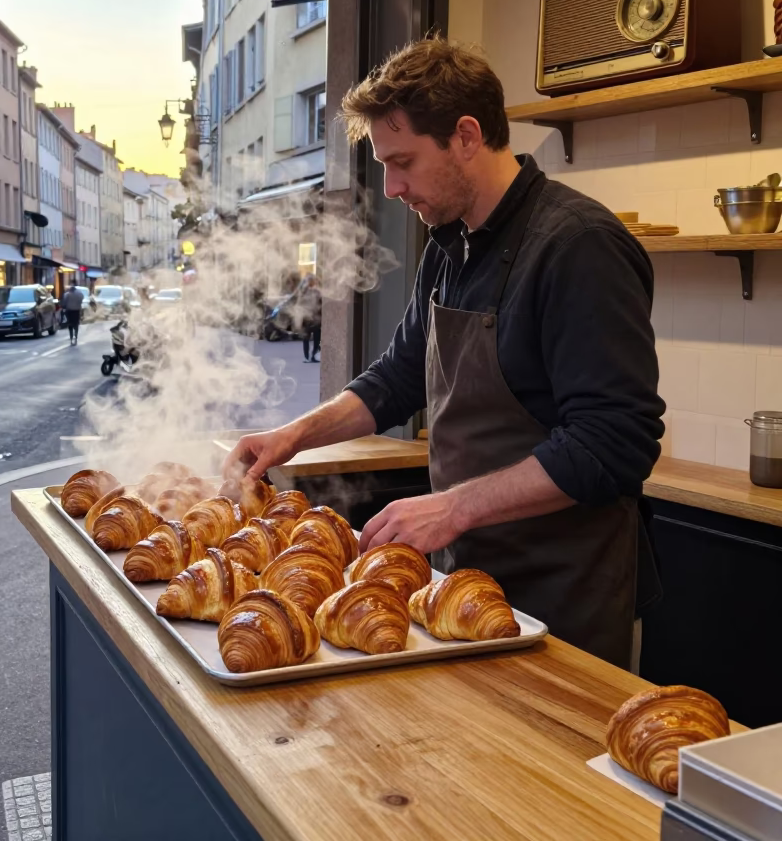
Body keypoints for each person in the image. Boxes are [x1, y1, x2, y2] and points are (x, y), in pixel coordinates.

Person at [223, 37, 664, 669]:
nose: (394, 186)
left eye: (403, 161)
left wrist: (453, 507)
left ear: (465, 136)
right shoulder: (448, 245)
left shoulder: (577, 246)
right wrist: (291, 437)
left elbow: (613, 442)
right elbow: (399, 377)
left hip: (566, 596)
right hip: (461, 581)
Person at [298, 274, 322, 363]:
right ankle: (307, 357)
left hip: (316, 320)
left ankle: (314, 356)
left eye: (312, 280)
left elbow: (321, 304)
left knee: (317, 340)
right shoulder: (303, 291)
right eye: (310, 281)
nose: (311, 282)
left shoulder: (318, 292)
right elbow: (300, 304)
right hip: (307, 319)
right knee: (306, 339)